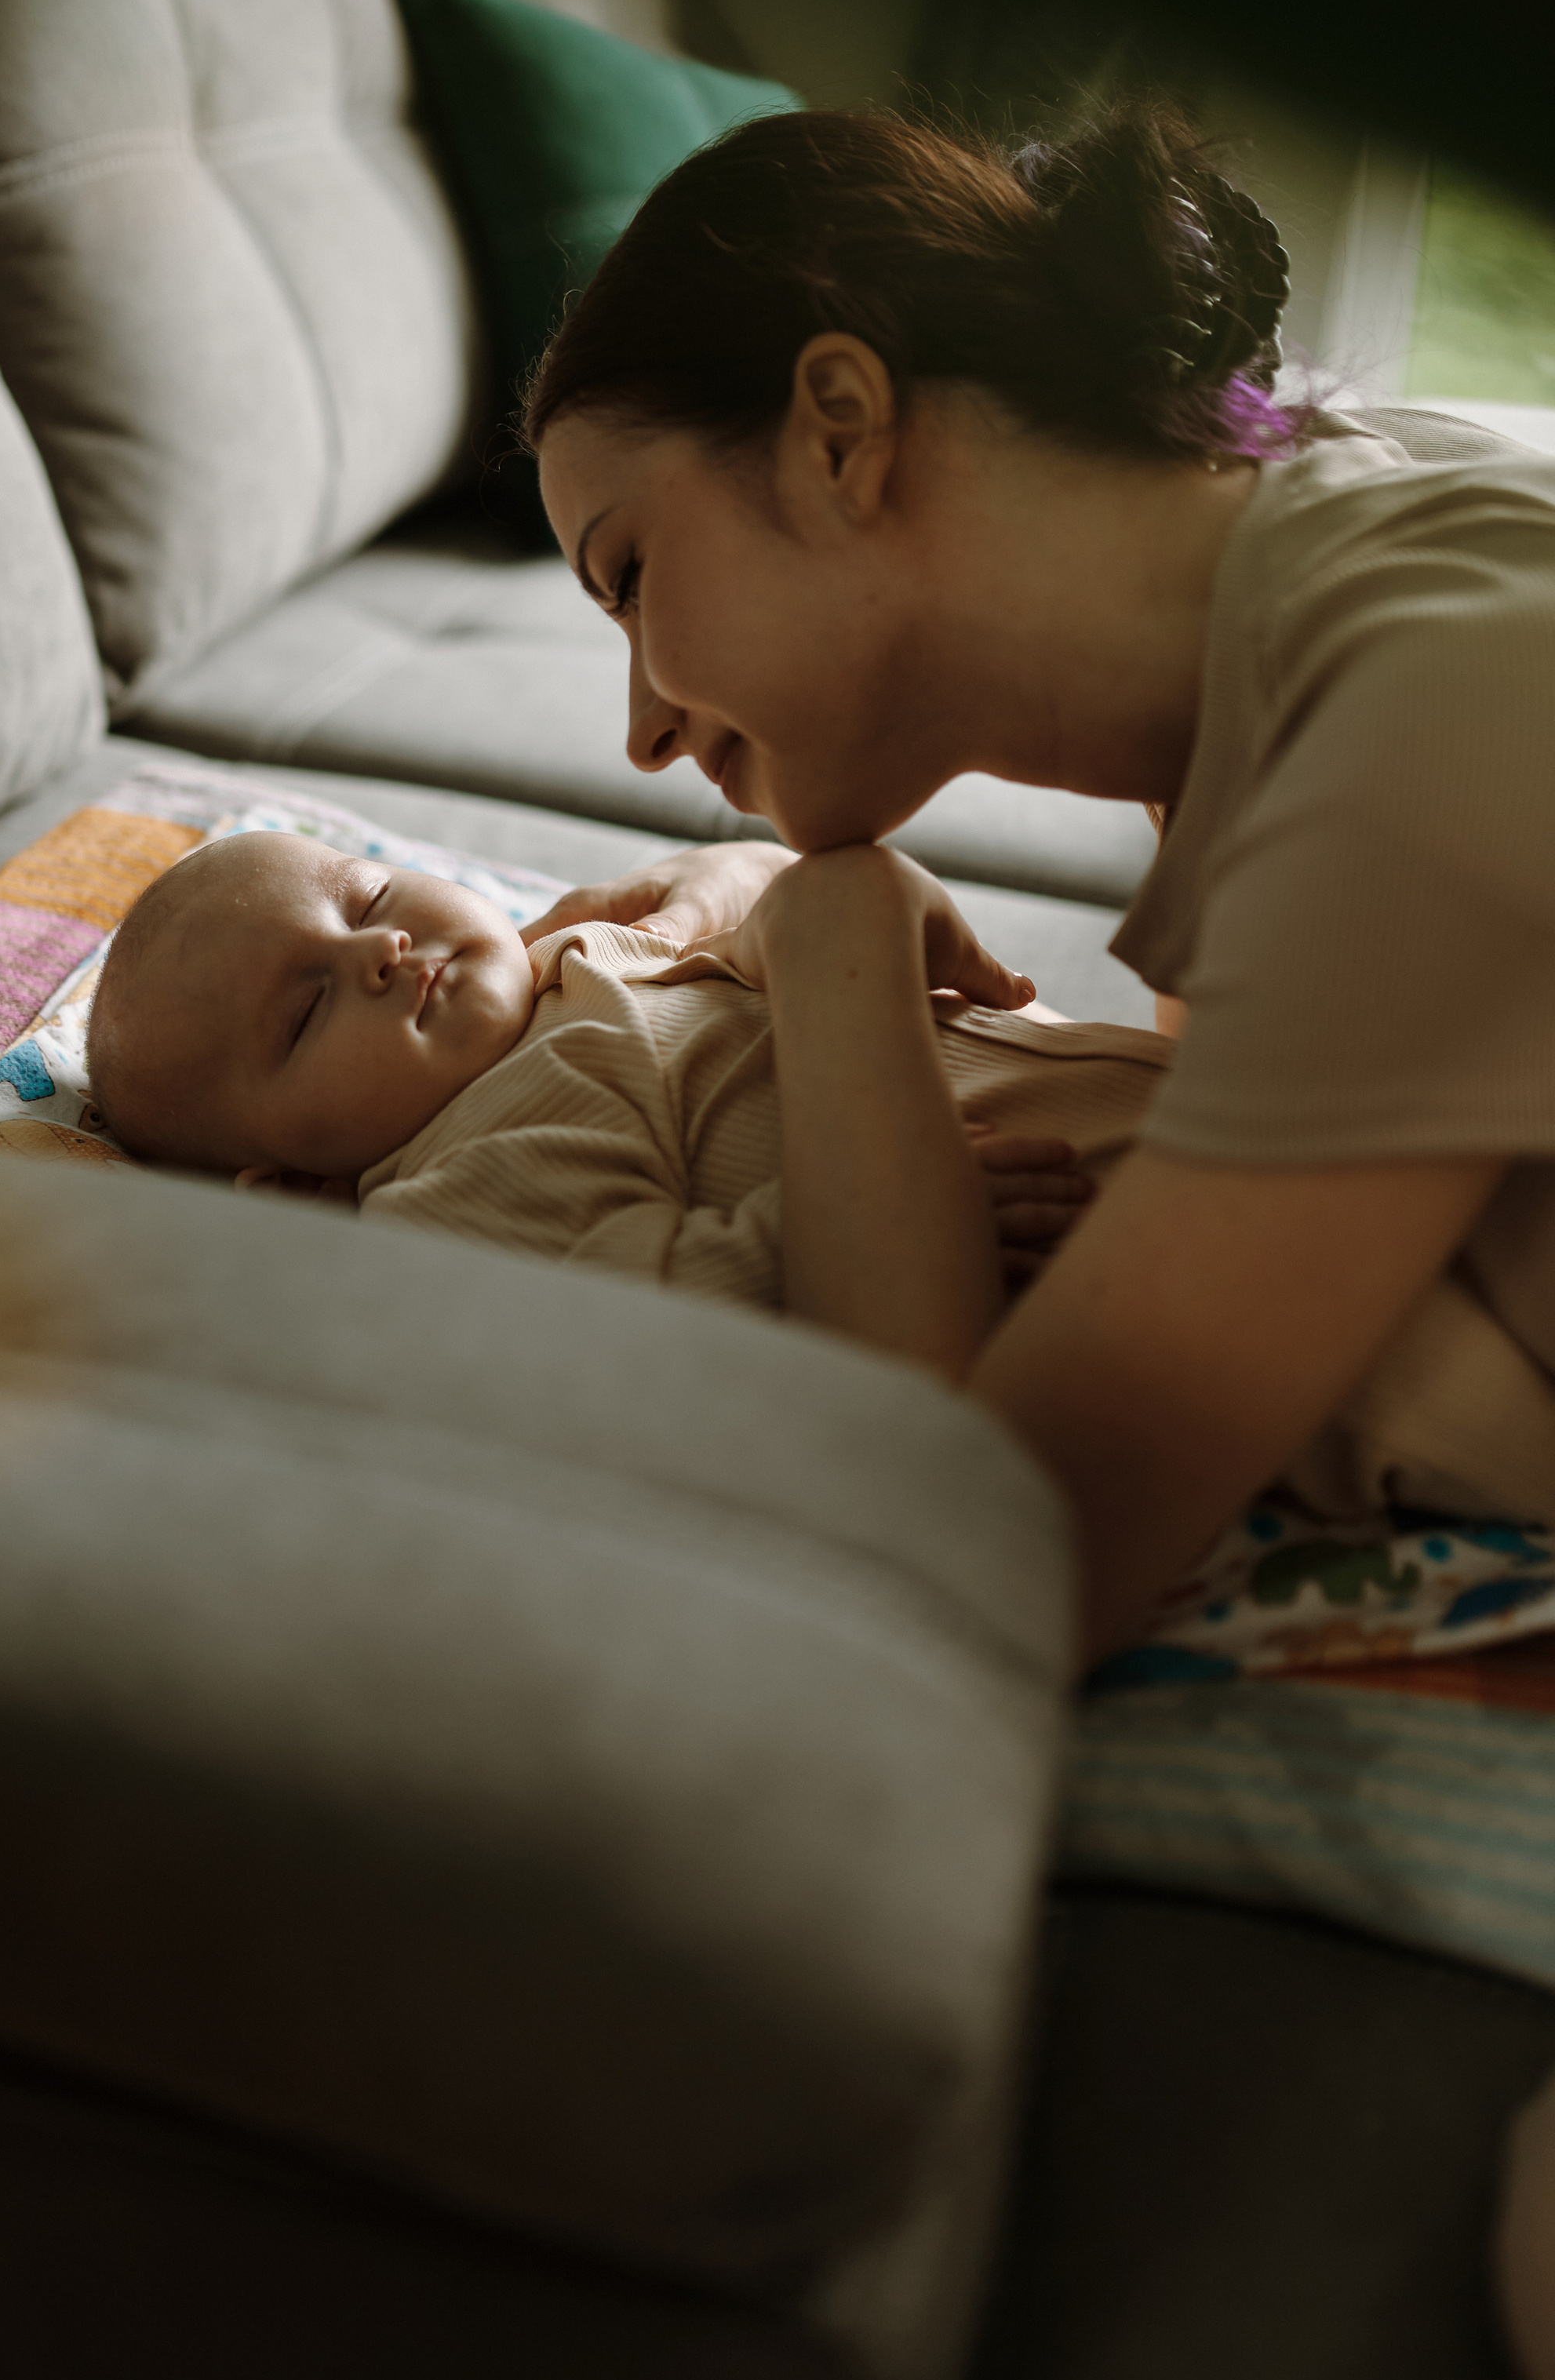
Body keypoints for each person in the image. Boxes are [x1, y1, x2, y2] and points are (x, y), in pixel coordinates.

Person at [519, 100, 1555, 1663]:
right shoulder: (1277, 569)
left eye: (630, 575)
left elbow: (983, 1556)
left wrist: (829, 935)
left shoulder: (1421, 709)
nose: (644, 731)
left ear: (838, 430)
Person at [83, 828, 1156, 1300]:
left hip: (1145, 1082)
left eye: (367, 897)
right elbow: (651, 1307)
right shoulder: (457, 1187)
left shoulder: (562, 958)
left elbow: (755, 907)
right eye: (306, 1011)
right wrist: (861, 1216)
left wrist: (723, 895)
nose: (378, 950)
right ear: (287, 1190)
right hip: (1090, 1219)